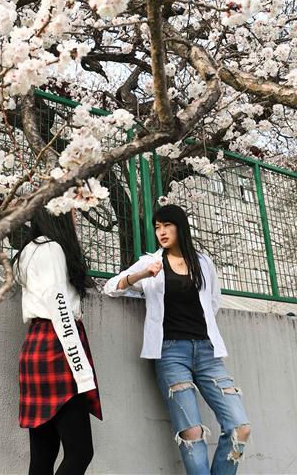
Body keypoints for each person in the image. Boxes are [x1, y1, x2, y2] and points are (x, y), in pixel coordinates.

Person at [103, 203, 251, 475]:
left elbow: (213, 302)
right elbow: (111, 287)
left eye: (167, 225)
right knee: (192, 433)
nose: (161, 231)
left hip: (208, 352)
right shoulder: (152, 262)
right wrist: (142, 275)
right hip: (171, 353)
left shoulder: (204, 262)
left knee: (240, 428)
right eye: (157, 227)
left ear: (180, 227)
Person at [14, 206, 102, 475]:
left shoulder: (29, 250)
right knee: (80, 452)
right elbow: (58, 303)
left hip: (36, 346)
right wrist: (79, 363)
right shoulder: (52, 249)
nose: (75, 217)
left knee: (43, 454)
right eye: (71, 211)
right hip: (57, 345)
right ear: (58, 213)